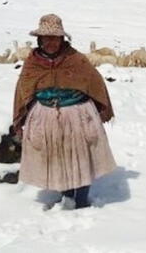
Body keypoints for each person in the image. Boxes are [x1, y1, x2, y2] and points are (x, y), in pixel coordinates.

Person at [12, 13, 117, 209]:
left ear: (62, 39)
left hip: (78, 114)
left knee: (82, 156)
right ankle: (67, 196)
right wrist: (21, 116)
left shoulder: (76, 59)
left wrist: (101, 107)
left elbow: (95, 82)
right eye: (46, 38)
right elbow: (23, 89)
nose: (51, 42)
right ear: (40, 39)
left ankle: (82, 200)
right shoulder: (32, 63)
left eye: (55, 38)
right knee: (58, 157)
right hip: (45, 116)